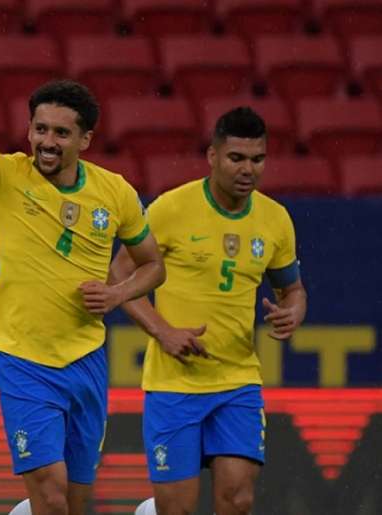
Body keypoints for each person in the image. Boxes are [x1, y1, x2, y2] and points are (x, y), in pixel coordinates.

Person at [0, 30, 166, 515]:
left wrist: (118, 293)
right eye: (40, 129)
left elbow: (153, 265)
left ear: (85, 139)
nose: (47, 141)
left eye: (61, 133)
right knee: (50, 489)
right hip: (22, 356)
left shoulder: (115, 192)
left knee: (77, 500)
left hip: (85, 358)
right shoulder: (4, 178)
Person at [115, 107, 308, 515]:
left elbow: (292, 289)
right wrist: (163, 332)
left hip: (237, 381)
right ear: (213, 157)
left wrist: (293, 312)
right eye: (236, 158)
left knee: (237, 500)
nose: (248, 169)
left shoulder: (275, 220)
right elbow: (120, 279)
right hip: (174, 386)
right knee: (177, 510)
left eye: (257, 159)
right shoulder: (171, 208)